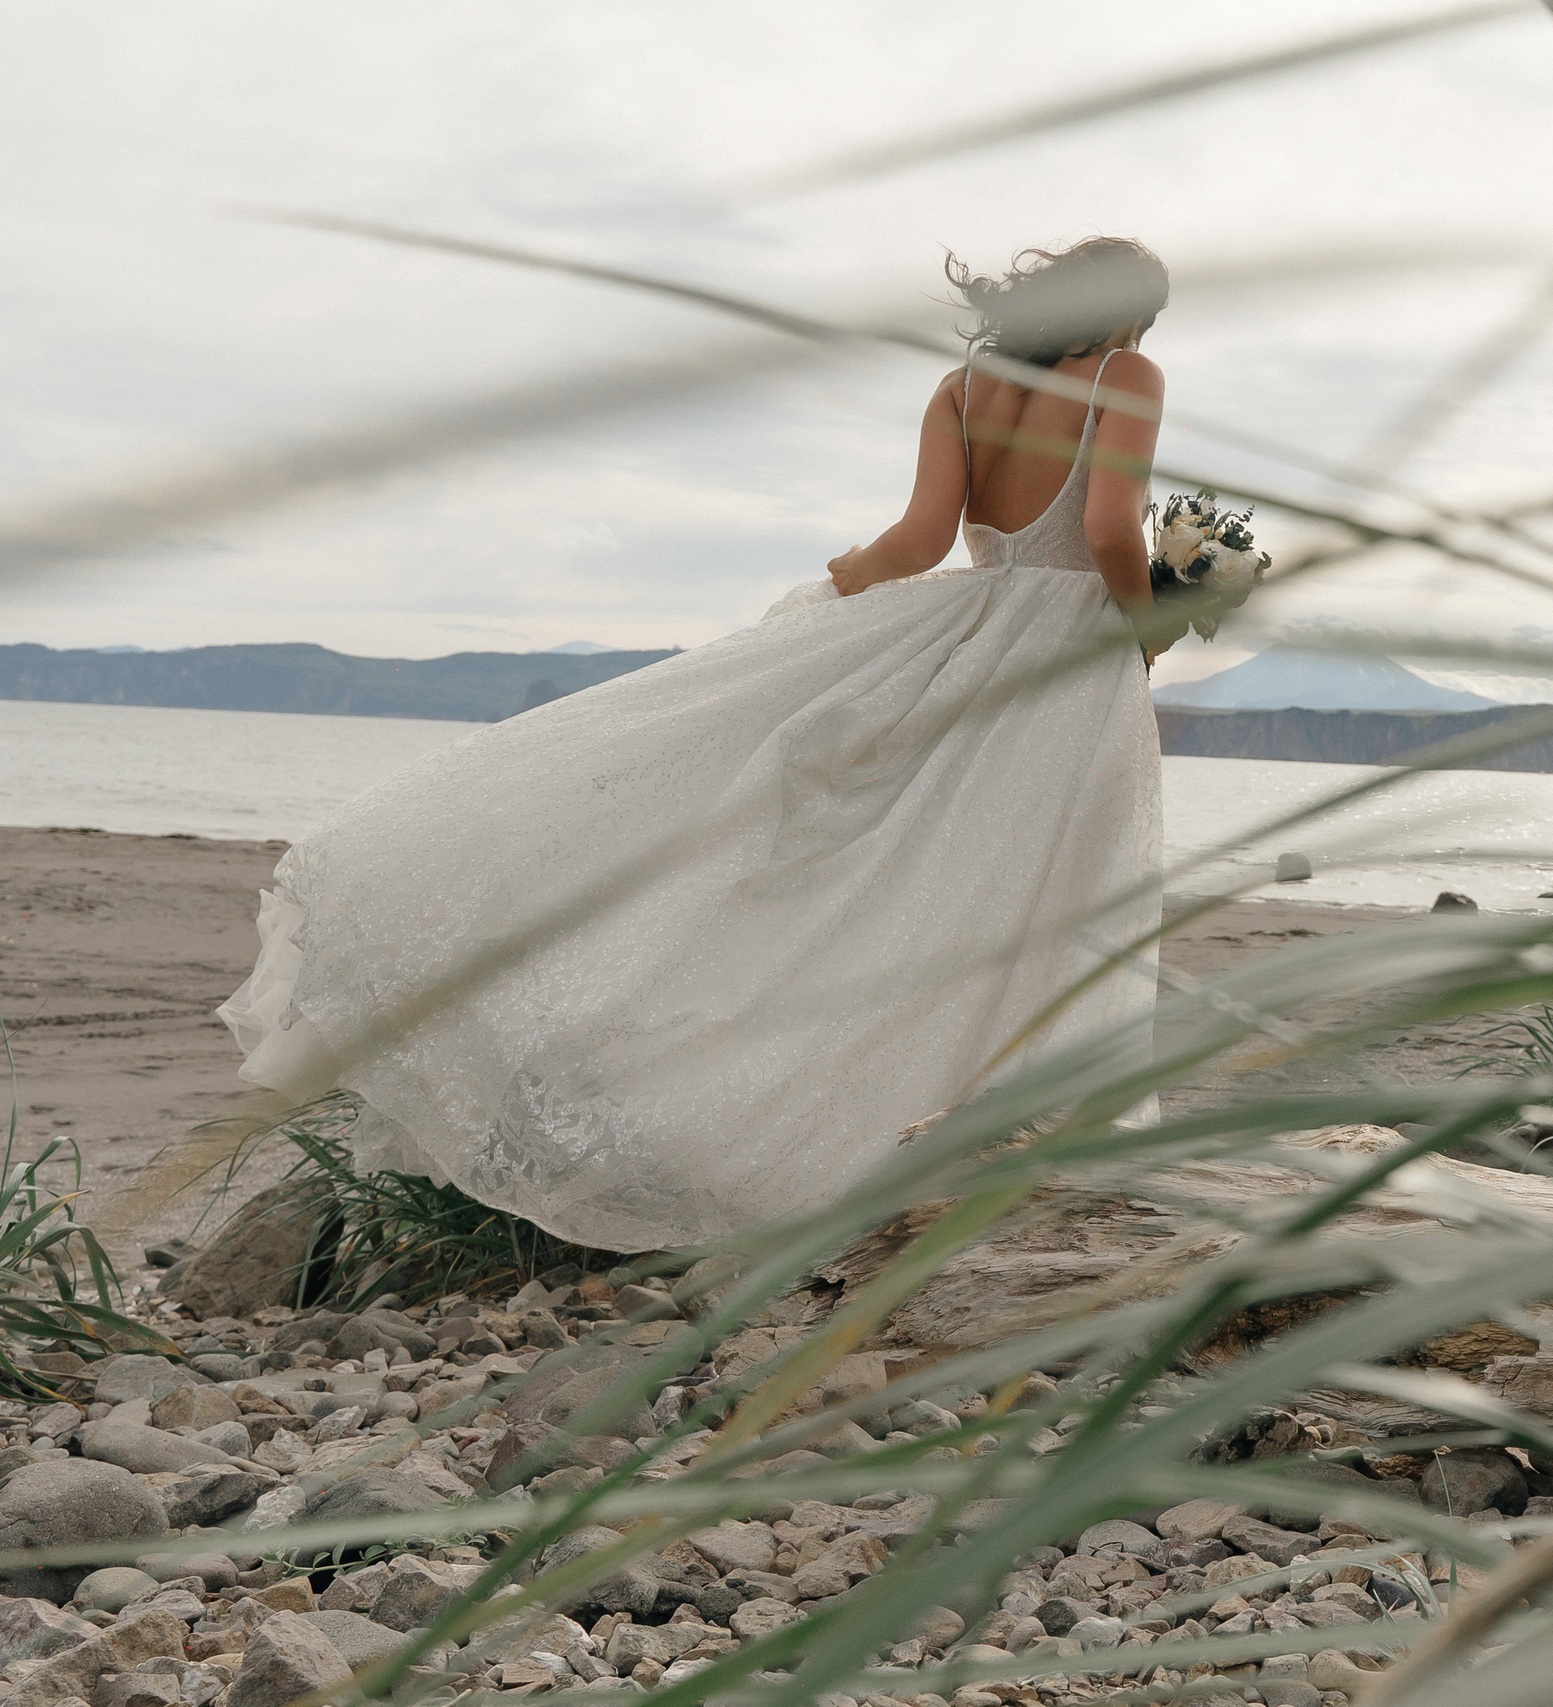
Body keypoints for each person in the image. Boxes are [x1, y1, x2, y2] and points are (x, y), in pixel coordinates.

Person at [219, 239, 1172, 1253]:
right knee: (1037, 892)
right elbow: (1111, 532)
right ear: (1129, 316)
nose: (1139, 338)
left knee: (919, 885)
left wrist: (839, 584)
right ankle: (1010, 1139)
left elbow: (920, 543)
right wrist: (1150, 625)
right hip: (1064, 659)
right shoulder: (1126, 378)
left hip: (964, 635)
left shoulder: (964, 384)